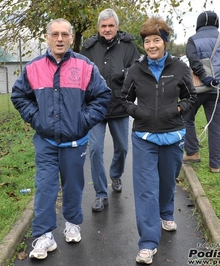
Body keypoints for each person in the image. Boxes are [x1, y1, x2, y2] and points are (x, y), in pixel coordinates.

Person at [11, 18, 111, 260]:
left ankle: (73, 222)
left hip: (75, 141)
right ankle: (44, 235)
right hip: (45, 141)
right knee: (45, 186)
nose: (59, 39)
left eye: (64, 34)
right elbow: (19, 96)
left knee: (73, 184)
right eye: (55, 34)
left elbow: (102, 96)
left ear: (70, 37)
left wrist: (82, 121)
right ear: (47, 37)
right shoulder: (33, 67)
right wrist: (37, 119)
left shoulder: (85, 66)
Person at [120, 16, 197, 264]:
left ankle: (166, 212)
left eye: (156, 40)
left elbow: (191, 97)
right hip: (144, 137)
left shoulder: (179, 69)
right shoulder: (135, 70)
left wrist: (176, 110)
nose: (151, 45)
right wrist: (138, 112)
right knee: (145, 190)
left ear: (165, 42)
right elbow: (124, 99)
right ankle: (148, 243)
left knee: (166, 182)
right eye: (147, 41)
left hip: (172, 136)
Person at [80, 8, 139, 212]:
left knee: (122, 147)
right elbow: (79, 74)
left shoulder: (129, 46)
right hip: (95, 107)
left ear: (116, 26)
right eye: (103, 26)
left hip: (119, 105)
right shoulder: (88, 47)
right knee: (95, 149)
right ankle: (100, 194)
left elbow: (138, 69)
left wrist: (125, 73)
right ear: (99, 27)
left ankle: (115, 174)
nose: (107, 29)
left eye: (111, 26)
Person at [182, 11, 220, 173]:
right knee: (216, 127)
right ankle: (215, 165)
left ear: (199, 23)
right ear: (216, 23)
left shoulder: (192, 40)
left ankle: (193, 152)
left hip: (197, 88)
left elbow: (193, 61)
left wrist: (204, 77)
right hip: (218, 91)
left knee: (186, 118)